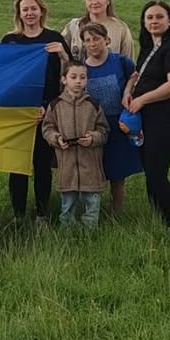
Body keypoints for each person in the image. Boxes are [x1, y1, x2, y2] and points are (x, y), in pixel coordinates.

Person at [0, 0, 68, 221]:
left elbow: (69, 75)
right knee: (17, 165)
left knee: (42, 165)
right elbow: (4, 75)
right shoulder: (10, 41)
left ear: (41, 11)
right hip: (18, 112)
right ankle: (18, 214)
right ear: (19, 14)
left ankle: (42, 213)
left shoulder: (54, 38)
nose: (29, 13)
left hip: (47, 111)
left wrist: (63, 55)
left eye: (33, 8)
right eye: (25, 9)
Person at [123, 1, 170, 234]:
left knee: (157, 171)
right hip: (146, 117)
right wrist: (128, 90)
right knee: (149, 169)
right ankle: (158, 216)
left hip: (164, 117)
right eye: (149, 17)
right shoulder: (150, 44)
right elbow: (138, 73)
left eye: (159, 17)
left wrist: (142, 99)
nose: (154, 21)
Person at [80, 21, 143, 216]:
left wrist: (127, 90)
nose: (92, 44)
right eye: (88, 40)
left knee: (117, 174)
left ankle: (116, 213)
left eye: (96, 39)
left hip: (117, 125)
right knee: (93, 172)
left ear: (106, 40)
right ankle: (91, 212)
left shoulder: (120, 61)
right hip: (93, 127)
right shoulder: (82, 69)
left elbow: (134, 75)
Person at [42, 60, 109, 229]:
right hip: (67, 167)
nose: (78, 81)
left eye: (83, 77)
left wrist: (93, 138)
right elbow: (47, 128)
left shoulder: (93, 104)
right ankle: (68, 235)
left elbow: (104, 130)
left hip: (90, 167)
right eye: (73, 77)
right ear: (64, 79)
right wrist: (56, 138)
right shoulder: (55, 105)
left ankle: (90, 235)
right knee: (67, 207)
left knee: (92, 206)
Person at [63, 0, 134, 61]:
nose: (94, 2)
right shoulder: (74, 26)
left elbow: (128, 60)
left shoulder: (120, 28)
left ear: (108, 0)